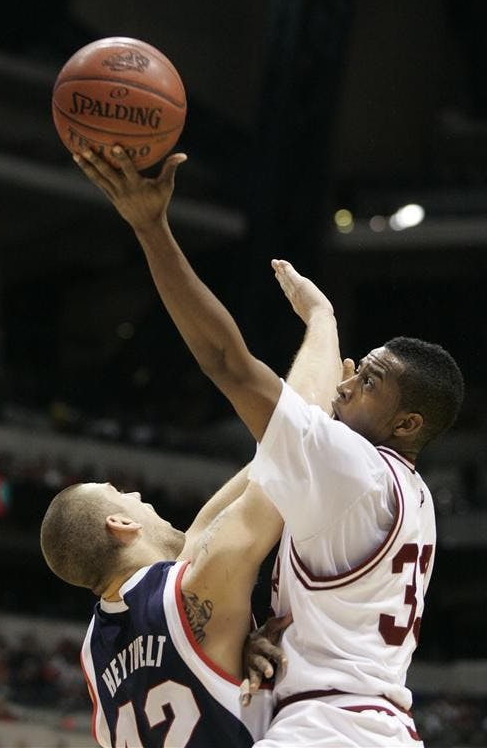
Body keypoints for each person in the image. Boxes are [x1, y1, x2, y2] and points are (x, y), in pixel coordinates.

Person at [72, 146, 465, 748]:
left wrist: (152, 229)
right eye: (355, 370)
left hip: (329, 729)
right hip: (363, 724)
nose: (345, 381)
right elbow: (257, 479)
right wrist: (253, 639)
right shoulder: (401, 490)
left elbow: (228, 363)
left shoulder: (351, 467)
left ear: (407, 423)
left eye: (369, 382)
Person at [40, 255, 342, 748]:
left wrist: (232, 643)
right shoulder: (198, 583)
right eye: (124, 495)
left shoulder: (96, 658)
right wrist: (322, 318)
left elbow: (262, 467)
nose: (138, 496)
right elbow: (300, 442)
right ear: (120, 523)